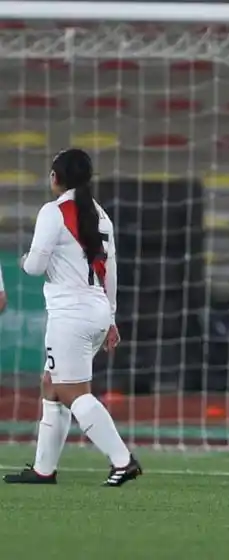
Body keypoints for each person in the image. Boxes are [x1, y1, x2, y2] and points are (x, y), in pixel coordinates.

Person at [3, 148, 140, 487]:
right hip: (95, 310)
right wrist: (110, 318)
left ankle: (123, 461)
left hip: (71, 313)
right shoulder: (101, 215)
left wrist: (22, 261)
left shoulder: (54, 212)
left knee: (70, 390)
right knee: (51, 384)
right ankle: (43, 470)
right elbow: (111, 273)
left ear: (55, 177)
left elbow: (35, 266)